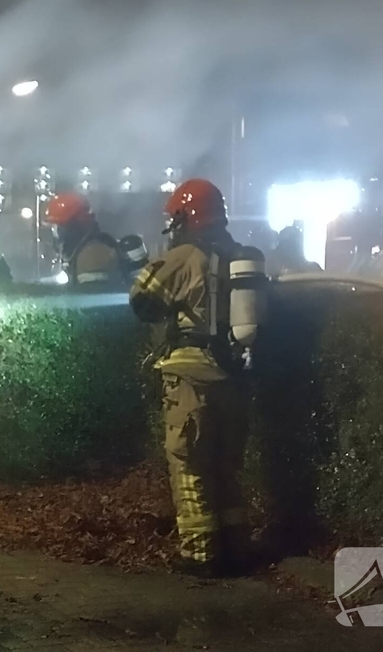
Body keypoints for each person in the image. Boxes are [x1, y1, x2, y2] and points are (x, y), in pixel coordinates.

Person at [128, 178, 259, 577]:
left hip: (189, 376)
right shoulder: (238, 255)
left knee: (189, 464)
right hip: (234, 376)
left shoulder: (185, 254)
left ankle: (200, 555)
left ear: (186, 215)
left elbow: (142, 298)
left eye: (174, 217)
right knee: (224, 465)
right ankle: (237, 547)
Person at [45, 192, 121, 286]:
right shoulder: (83, 250)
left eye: (56, 227)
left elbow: (92, 296)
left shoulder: (93, 255)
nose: (55, 233)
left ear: (70, 227)